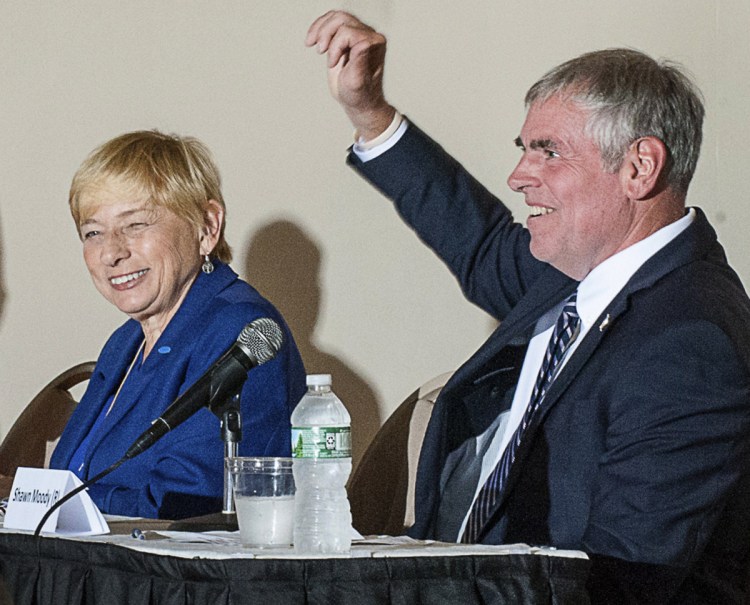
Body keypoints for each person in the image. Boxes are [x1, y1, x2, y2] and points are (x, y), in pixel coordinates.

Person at [306, 10, 750, 603]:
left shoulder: (688, 343)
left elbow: (619, 580)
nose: (519, 175)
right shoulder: (577, 274)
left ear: (639, 167)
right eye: (524, 149)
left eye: (549, 152)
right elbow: (479, 238)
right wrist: (371, 114)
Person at [46, 130, 306, 519]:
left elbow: (184, 504)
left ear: (207, 227)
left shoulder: (239, 329)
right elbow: (69, 478)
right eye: (93, 232)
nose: (112, 252)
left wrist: (55, 505)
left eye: (135, 225)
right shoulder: (126, 341)